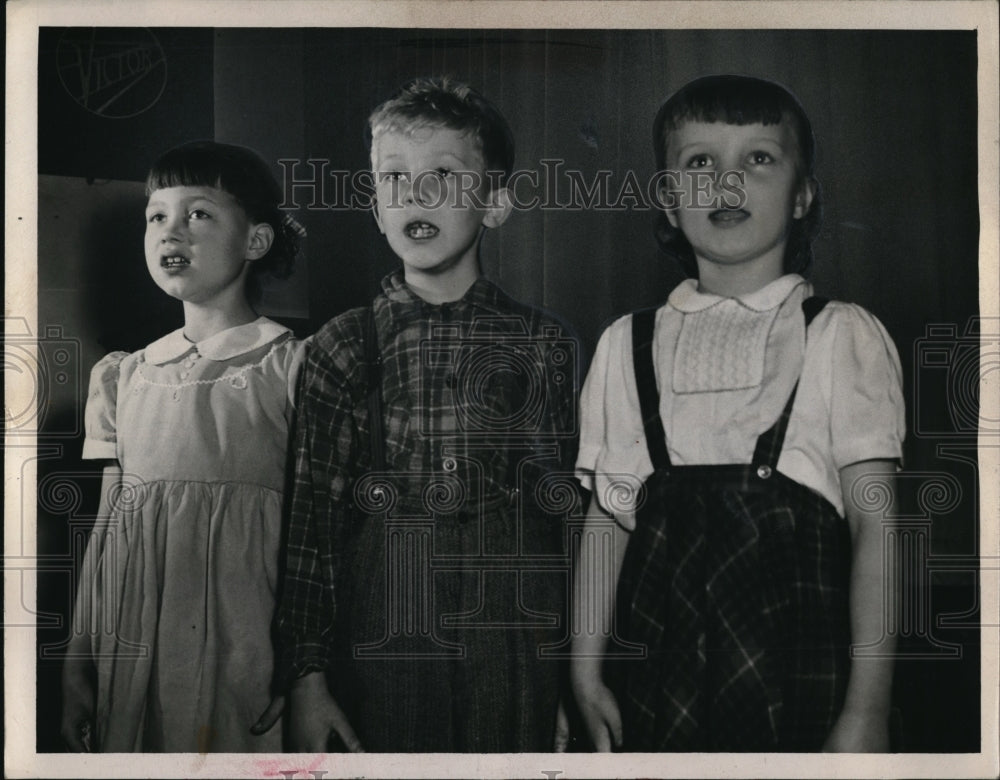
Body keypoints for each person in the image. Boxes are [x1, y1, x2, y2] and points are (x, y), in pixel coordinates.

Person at [571, 74, 905, 752]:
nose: (727, 183)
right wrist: (583, 673)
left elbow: (878, 527)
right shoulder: (626, 345)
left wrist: (868, 708)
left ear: (803, 195)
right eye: (700, 162)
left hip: (798, 678)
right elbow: (607, 524)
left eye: (758, 158)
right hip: (660, 681)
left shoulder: (839, 336)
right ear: (669, 200)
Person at [276, 76, 579, 752]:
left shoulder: (541, 341)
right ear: (376, 208)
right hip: (386, 613)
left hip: (512, 621)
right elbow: (312, 528)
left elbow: (560, 521)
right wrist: (307, 677)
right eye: (394, 178)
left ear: (494, 203)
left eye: (443, 175)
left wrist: (566, 679)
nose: (416, 194)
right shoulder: (342, 345)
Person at [60, 141, 307, 752]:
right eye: (157, 216)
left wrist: (306, 665)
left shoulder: (292, 365)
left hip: (246, 641)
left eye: (198, 214)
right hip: (134, 639)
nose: (172, 232)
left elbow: (318, 536)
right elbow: (106, 531)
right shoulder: (124, 376)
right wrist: (77, 662)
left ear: (256, 241)